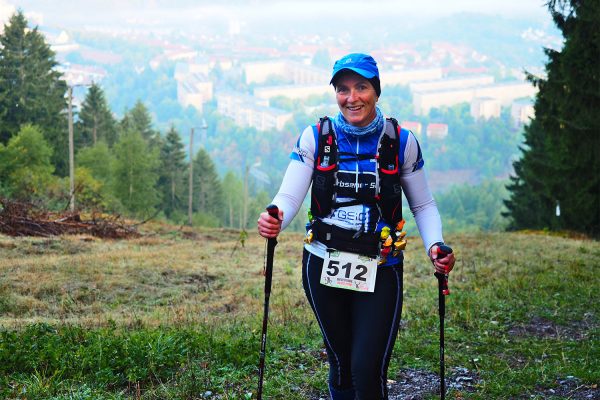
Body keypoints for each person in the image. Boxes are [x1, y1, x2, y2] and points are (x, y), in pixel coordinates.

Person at [257, 53, 455, 400]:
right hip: (322, 263)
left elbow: (423, 205)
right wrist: (274, 216)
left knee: (367, 369)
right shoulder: (316, 137)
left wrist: (435, 246)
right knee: (341, 364)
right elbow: (288, 197)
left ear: (376, 91)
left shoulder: (401, 141)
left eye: (361, 87)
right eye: (343, 89)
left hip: (382, 266)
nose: (352, 98)